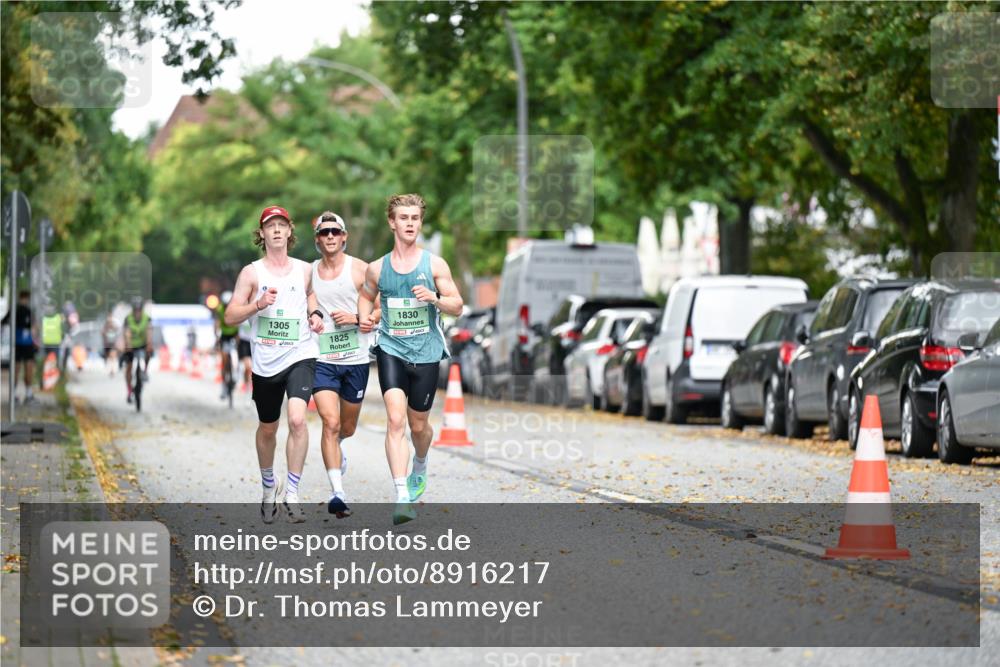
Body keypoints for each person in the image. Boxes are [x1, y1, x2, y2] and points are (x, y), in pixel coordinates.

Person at [358, 194, 463, 525]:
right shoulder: (378, 267)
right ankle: (402, 494)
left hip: (427, 353)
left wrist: (435, 298)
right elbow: (365, 295)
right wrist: (365, 319)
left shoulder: (434, 265)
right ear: (392, 222)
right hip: (390, 349)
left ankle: (420, 462)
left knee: (419, 427)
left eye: (415, 218)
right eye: (403, 218)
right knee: (395, 421)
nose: (410, 224)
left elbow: (457, 304)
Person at [224, 205, 321, 524]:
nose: (277, 230)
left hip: (300, 354)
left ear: (290, 232)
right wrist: (257, 305)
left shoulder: (305, 269)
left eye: (282, 225)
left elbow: (311, 296)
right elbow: (230, 315)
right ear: (262, 234)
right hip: (266, 363)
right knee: (268, 427)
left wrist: (315, 314)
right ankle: (269, 486)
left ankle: (292, 492)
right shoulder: (252, 273)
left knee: (297, 420)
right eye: (271, 226)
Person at [306, 212, 380, 519]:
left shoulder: (360, 269)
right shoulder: (308, 272)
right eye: (324, 233)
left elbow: (378, 307)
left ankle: (339, 448)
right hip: (321, 358)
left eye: (335, 231)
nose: (330, 236)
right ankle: (338, 492)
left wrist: (360, 319)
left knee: (346, 428)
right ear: (317, 240)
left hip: (356, 360)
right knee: (330, 422)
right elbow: (308, 295)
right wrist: (314, 314)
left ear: (345, 236)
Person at [3, 291, 37, 402]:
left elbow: (3, 322)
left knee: (16, 370)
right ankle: (28, 394)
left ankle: (14, 395)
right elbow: (34, 328)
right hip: (26, 344)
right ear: (26, 298)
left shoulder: (14, 311)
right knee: (28, 369)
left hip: (16, 344)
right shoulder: (27, 311)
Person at [123, 297, 153, 403]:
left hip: (143, 343)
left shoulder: (147, 318)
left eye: (139, 310)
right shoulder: (128, 319)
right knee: (129, 367)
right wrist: (128, 344)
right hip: (131, 344)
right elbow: (127, 333)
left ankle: (145, 371)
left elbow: (149, 331)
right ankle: (129, 390)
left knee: (149, 352)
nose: (137, 313)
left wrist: (149, 343)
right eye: (135, 310)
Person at [214, 290, 240, 400]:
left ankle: (235, 375)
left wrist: (238, 336)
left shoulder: (235, 308)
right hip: (224, 336)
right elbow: (217, 323)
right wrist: (217, 334)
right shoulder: (220, 309)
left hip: (234, 335)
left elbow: (239, 323)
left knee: (236, 357)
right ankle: (224, 385)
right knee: (224, 358)